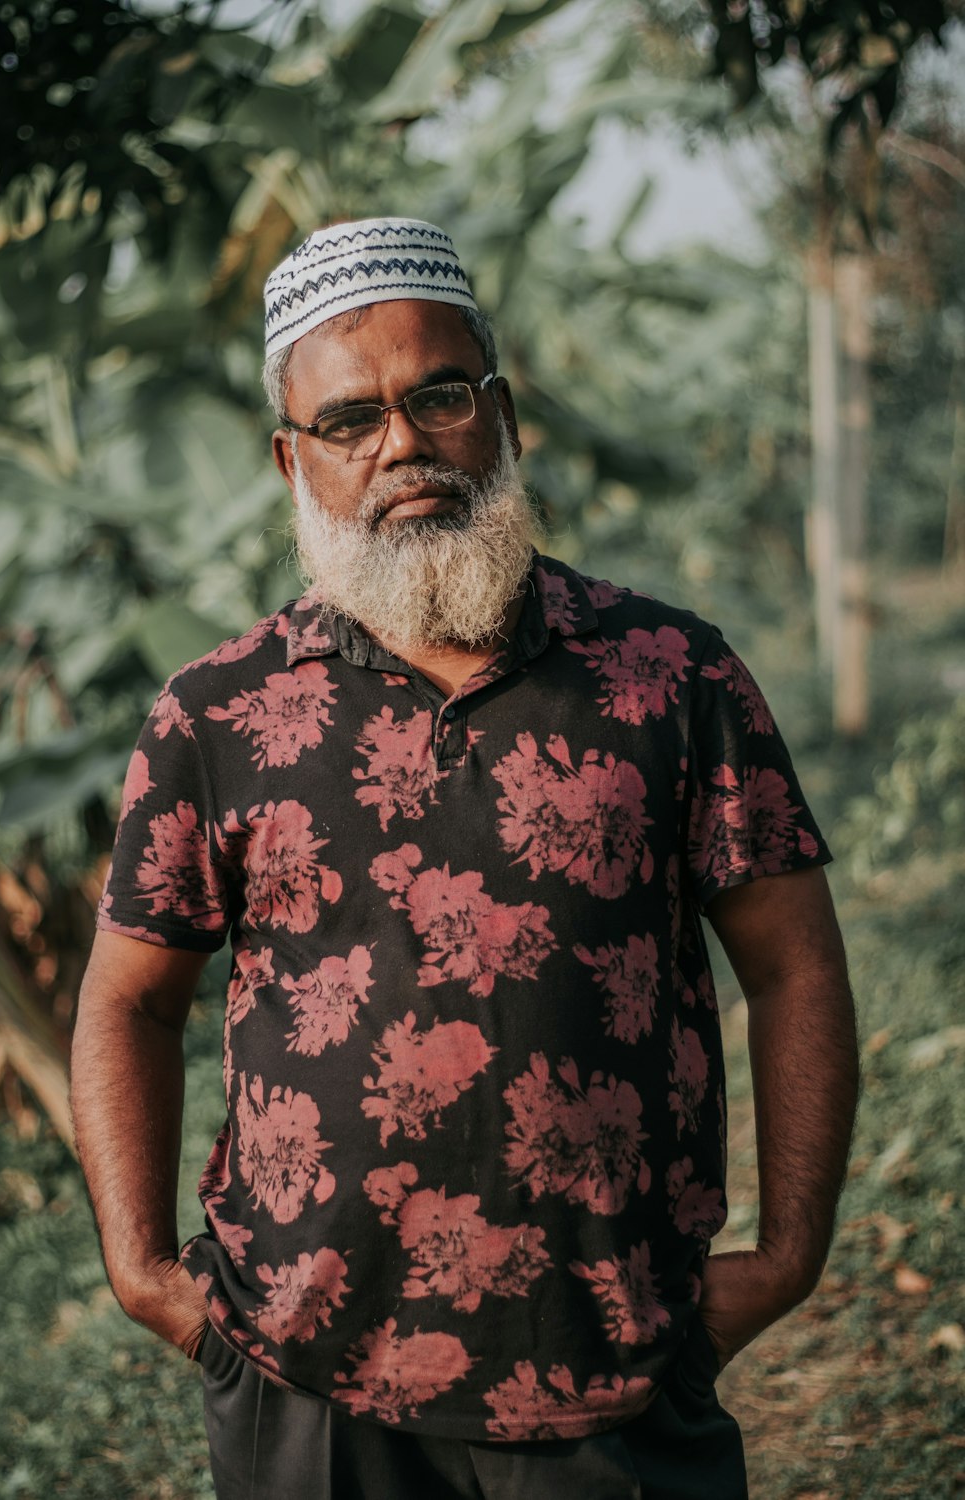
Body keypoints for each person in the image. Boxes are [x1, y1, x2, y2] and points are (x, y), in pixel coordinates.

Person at [71, 217, 859, 1500]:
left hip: (617, 1364)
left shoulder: (670, 672)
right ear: (292, 460)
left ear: (501, 414)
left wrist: (791, 1252)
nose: (401, 444)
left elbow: (794, 965)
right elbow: (127, 999)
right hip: (303, 1382)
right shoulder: (215, 714)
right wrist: (142, 1274)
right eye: (348, 419)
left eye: (439, 395)